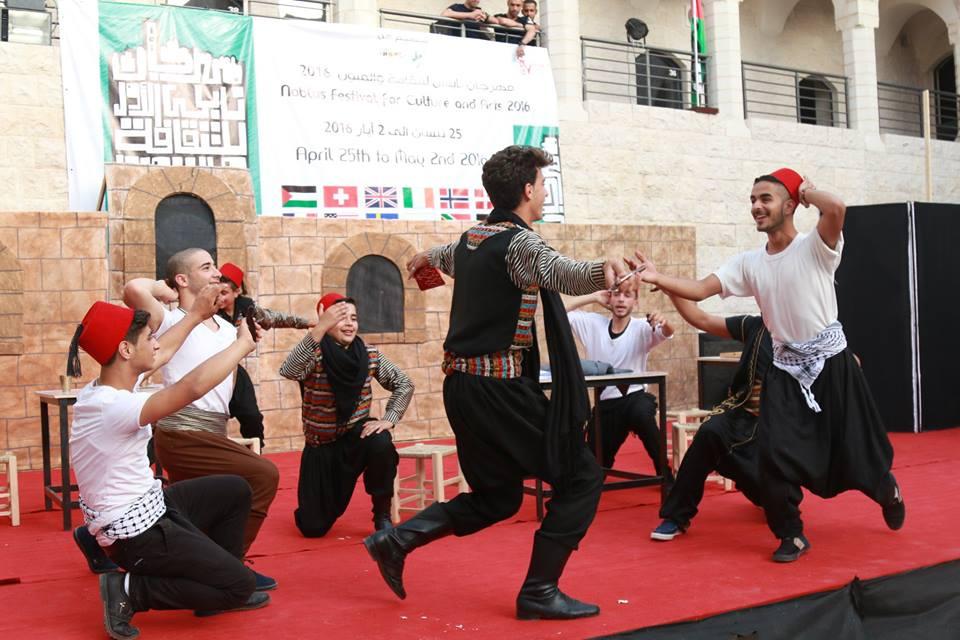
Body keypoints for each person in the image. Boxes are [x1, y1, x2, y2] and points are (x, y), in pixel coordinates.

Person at [363, 145, 638, 620]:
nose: (546, 191)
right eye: (543, 184)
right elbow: (563, 273)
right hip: (498, 391)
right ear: (527, 190)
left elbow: (443, 256)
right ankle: (539, 591)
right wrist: (605, 269)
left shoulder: (473, 238)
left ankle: (397, 540)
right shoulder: (520, 244)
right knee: (582, 476)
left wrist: (425, 258)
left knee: (499, 497)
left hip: (463, 389)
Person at [636, 168, 905, 562]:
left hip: (831, 363)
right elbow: (700, 291)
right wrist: (659, 277)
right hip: (785, 371)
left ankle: (885, 490)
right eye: (752, 200)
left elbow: (836, 208)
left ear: (790, 205)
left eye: (765, 198)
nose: (756, 206)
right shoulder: (749, 263)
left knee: (855, 448)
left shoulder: (816, 247)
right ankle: (791, 535)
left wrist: (806, 189)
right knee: (775, 455)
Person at [68, 294, 267, 640]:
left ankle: (218, 576)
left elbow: (164, 352)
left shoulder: (106, 388)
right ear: (126, 350)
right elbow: (191, 387)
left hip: (151, 507)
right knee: (240, 586)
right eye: (150, 337)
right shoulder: (113, 406)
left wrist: (196, 315)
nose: (156, 344)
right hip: (136, 537)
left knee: (234, 489)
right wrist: (242, 345)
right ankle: (130, 590)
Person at [123, 249, 280, 584]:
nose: (216, 273)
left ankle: (194, 566)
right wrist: (166, 289)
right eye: (206, 267)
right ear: (183, 279)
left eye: (215, 267)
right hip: (181, 433)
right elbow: (134, 289)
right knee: (263, 475)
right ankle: (229, 568)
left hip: (212, 432)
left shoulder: (226, 327)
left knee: (201, 507)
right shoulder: (170, 319)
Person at [279, 292, 413, 537]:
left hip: (354, 439)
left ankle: (381, 514)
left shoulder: (369, 354)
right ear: (325, 320)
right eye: (340, 318)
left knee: (380, 442)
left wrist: (389, 419)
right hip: (320, 447)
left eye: (354, 318)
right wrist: (318, 329)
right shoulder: (314, 353)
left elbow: (404, 383)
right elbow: (289, 370)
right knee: (312, 528)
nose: (350, 324)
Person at [650, 293, 770, 541]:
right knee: (709, 432)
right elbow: (701, 318)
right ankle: (676, 516)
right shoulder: (753, 326)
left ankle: (772, 498)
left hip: (778, 423)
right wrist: (671, 290)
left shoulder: (804, 332)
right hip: (742, 415)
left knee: (772, 492)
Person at [565, 289, 674, 477]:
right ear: (609, 298)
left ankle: (665, 473)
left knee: (641, 413)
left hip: (634, 398)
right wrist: (593, 297)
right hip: (606, 405)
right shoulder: (593, 324)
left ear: (635, 302)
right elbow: (559, 310)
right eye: (616, 294)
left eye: (628, 295)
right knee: (593, 469)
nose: (621, 300)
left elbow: (667, 332)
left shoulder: (642, 327)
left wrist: (665, 321)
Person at [218, 262, 312, 449]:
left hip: (233, 369)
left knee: (252, 416)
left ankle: (255, 454)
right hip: (210, 369)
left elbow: (274, 318)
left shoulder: (247, 308)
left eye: (224, 293)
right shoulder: (209, 310)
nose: (219, 298)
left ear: (237, 292)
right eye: (216, 292)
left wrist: (307, 323)